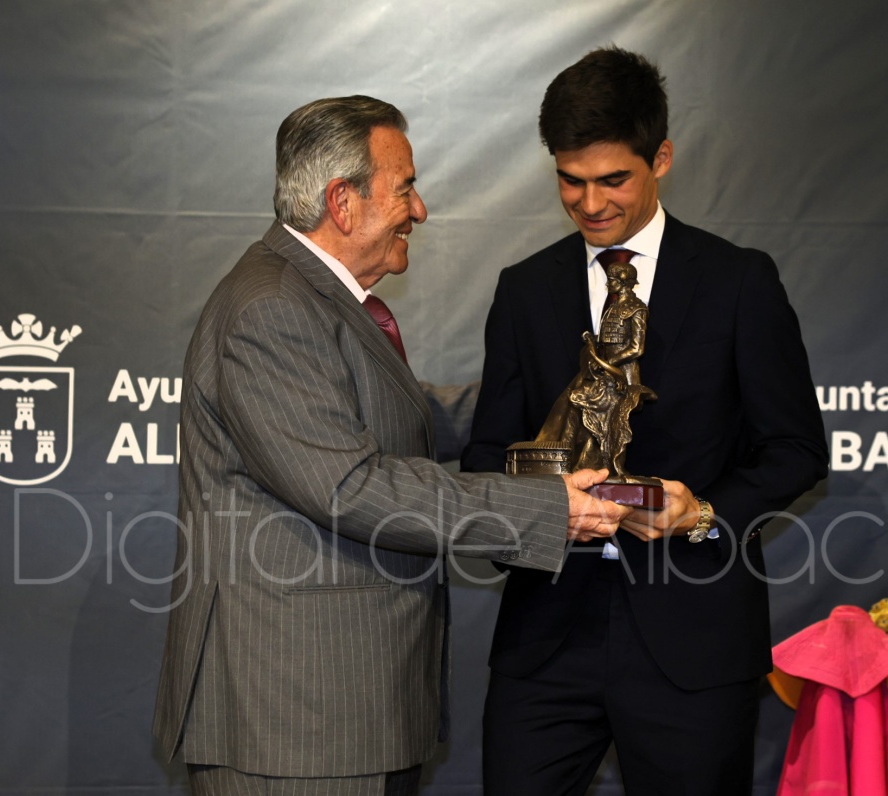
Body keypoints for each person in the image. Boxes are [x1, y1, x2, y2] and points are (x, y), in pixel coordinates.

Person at [152, 95, 630, 796]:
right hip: (295, 722)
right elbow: (350, 486)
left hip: (346, 709)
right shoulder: (271, 307)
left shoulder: (310, 297)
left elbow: (395, 417)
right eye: (404, 188)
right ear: (342, 202)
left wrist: (541, 396)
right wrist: (547, 509)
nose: (420, 210)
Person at [462, 48, 829, 795]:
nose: (589, 202)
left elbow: (795, 449)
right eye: (570, 179)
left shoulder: (739, 281)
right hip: (545, 640)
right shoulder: (523, 290)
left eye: (613, 179)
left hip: (693, 637)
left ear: (660, 158)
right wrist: (538, 515)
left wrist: (703, 514)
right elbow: (488, 454)